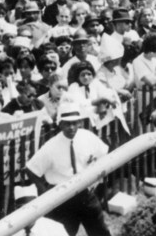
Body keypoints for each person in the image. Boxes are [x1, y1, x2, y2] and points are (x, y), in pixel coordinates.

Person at [25, 101, 111, 236]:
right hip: (62, 199)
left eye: (74, 123)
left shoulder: (87, 137)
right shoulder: (51, 147)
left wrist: (96, 179)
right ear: (60, 124)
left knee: (100, 231)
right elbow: (31, 169)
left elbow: (103, 155)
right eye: (67, 124)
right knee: (62, 233)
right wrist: (44, 192)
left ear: (80, 123)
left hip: (85, 193)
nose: (71, 127)